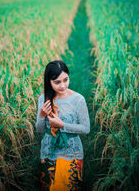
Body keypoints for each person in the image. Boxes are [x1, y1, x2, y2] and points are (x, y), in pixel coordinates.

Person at [35, 60, 90, 190]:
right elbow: (40, 129)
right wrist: (42, 115)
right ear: (49, 81)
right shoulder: (43, 99)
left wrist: (62, 125)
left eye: (65, 80)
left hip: (71, 150)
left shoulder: (78, 100)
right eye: (57, 82)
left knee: (68, 186)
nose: (63, 85)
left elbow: (86, 128)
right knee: (49, 186)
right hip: (49, 150)